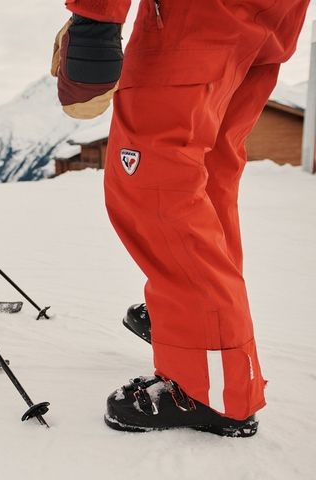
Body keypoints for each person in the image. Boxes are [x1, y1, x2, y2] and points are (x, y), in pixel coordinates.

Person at [53, 0, 309, 436]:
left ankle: (208, 384)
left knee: (154, 184)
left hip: (195, 18)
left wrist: (95, 18)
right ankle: (194, 324)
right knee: (206, 183)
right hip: (269, 22)